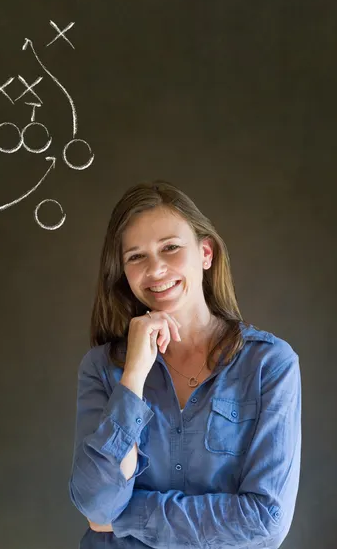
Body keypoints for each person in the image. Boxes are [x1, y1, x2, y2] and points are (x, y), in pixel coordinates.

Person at [68, 180, 302, 548]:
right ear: (124, 272)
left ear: (205, 253)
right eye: (136, 256)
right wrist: (133, 377)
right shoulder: (101, 367)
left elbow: (266, 520)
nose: (156, 269)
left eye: (170, 248)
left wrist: (125, 517)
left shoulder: (269, 364)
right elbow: (97, 503)